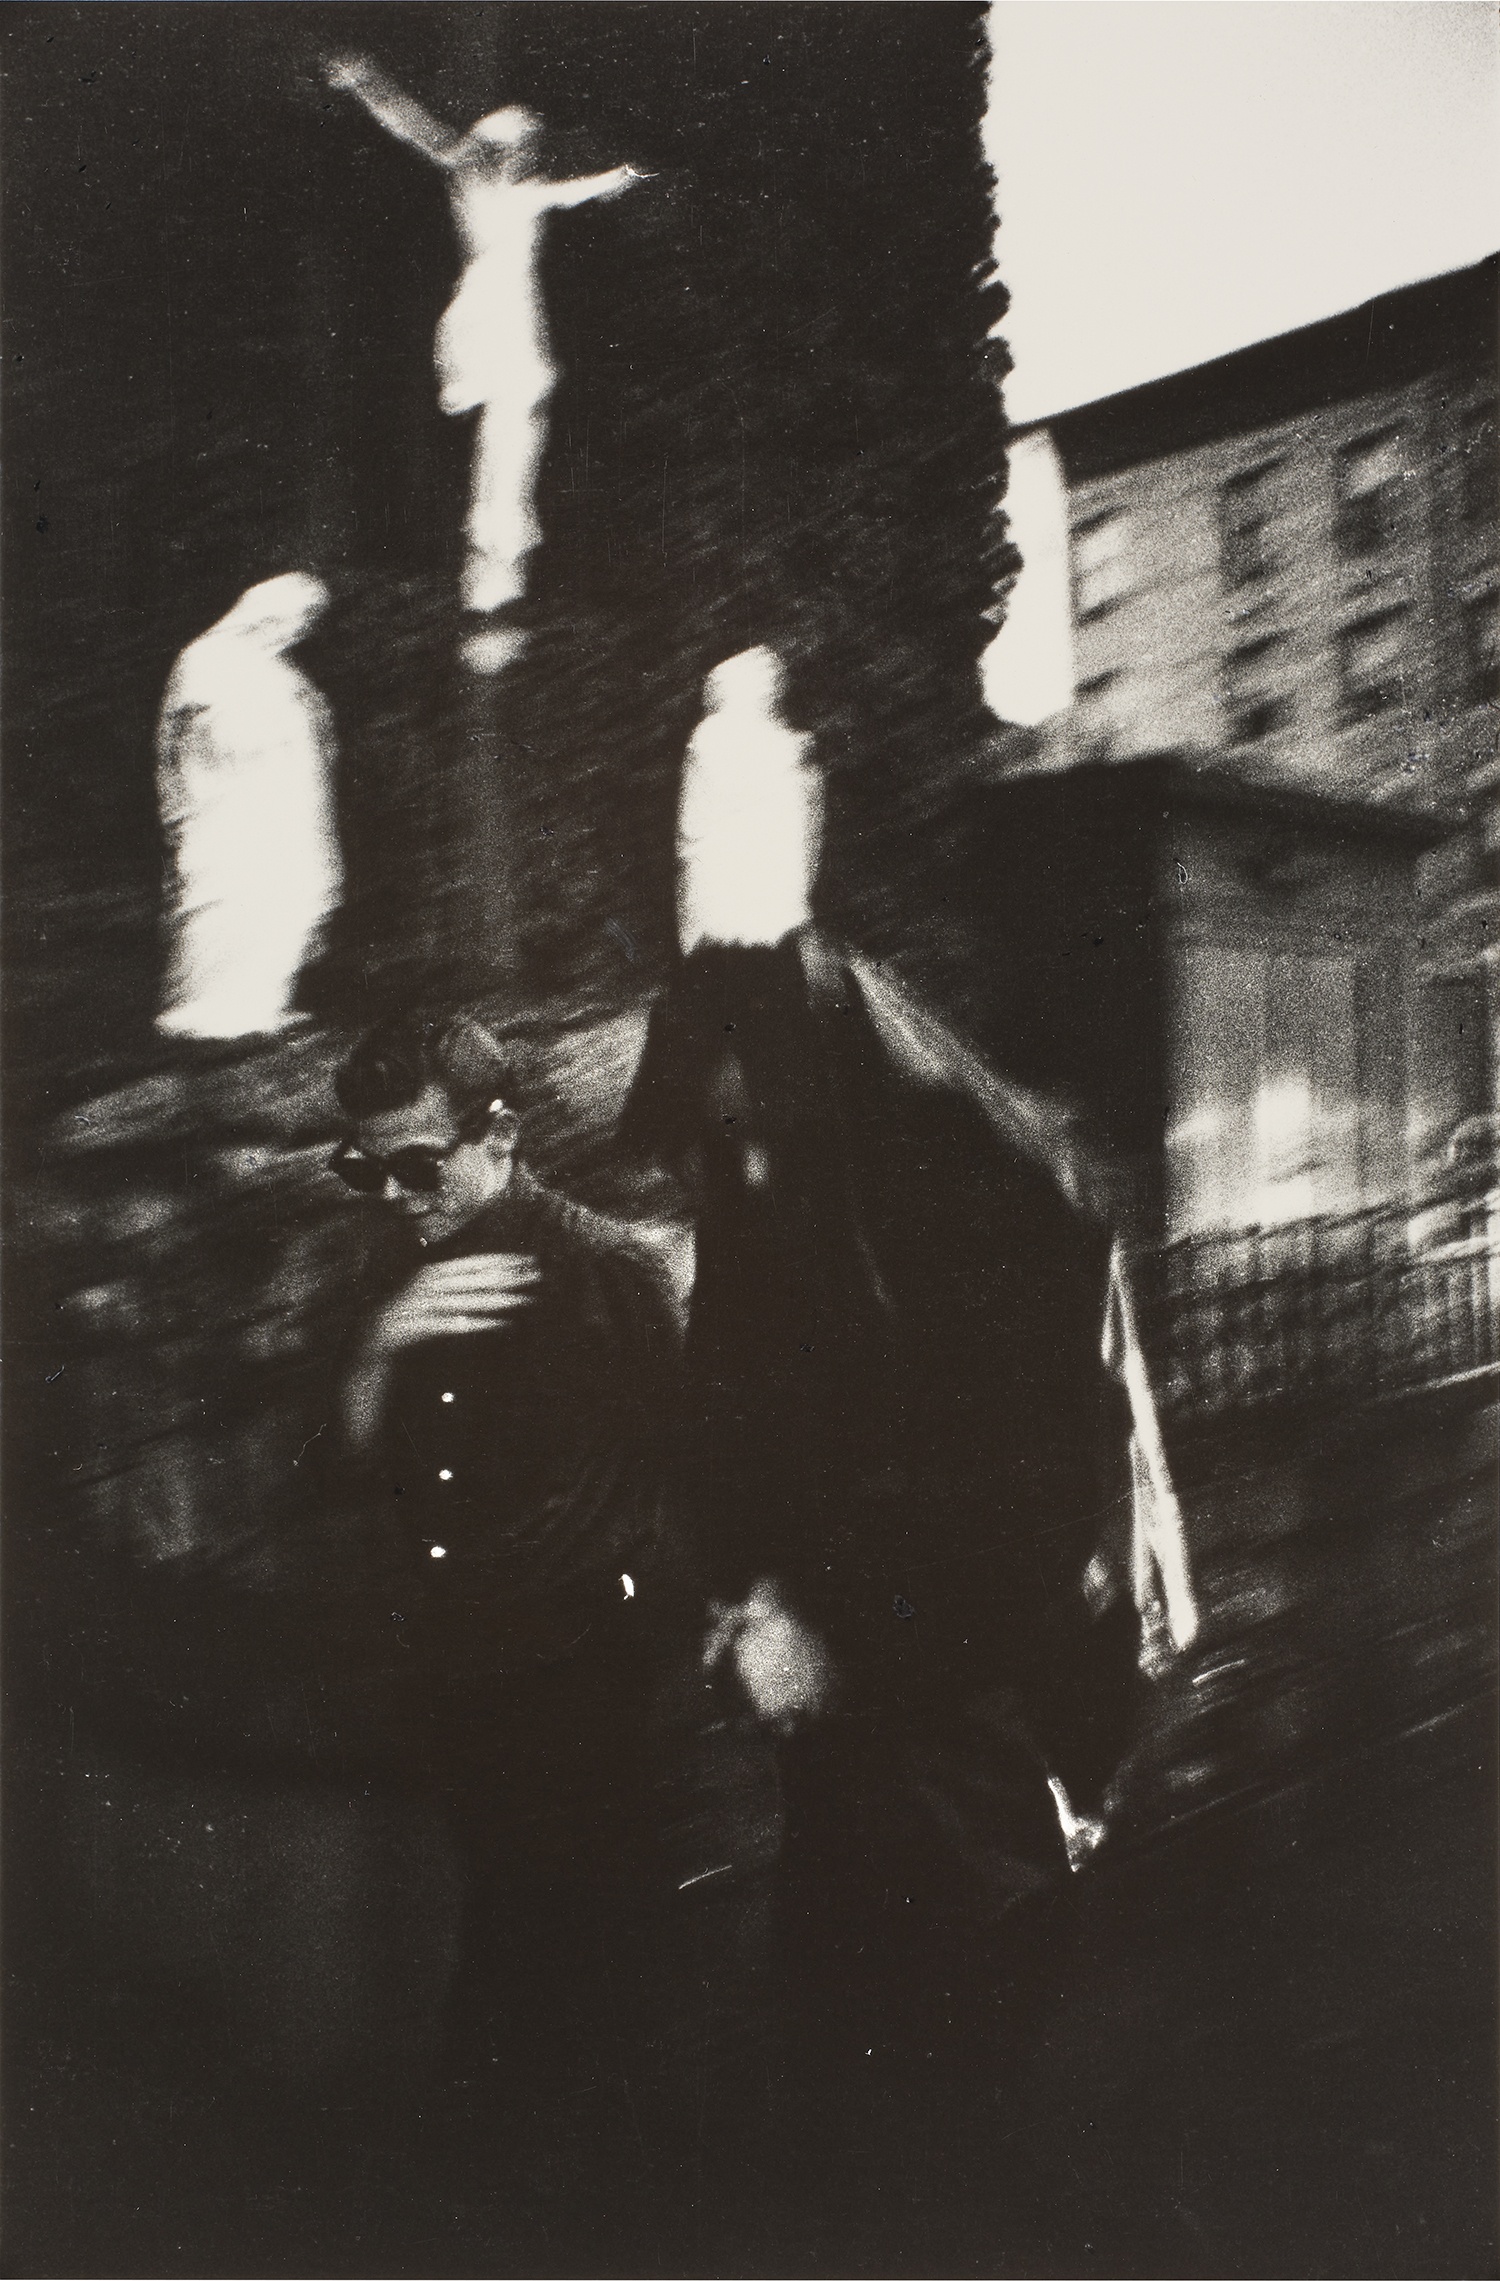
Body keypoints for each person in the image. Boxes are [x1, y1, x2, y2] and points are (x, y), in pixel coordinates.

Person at [614, 647, 1199, 2263]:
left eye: (740, 1125)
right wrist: (741, 1589)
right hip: (863, 1721)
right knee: (845, 2068)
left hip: (979, 1718)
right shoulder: (773, 1160)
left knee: (960, 2101)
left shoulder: (967, 1175)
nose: (722, 1162)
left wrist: (824, 1620)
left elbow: (1012, 1469)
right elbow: (737, 1383)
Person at [327, 1009, 775, 2259]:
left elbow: (706, 1455)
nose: (399, 1195)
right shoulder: (382, 1274)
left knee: (582, 1958)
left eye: (423, 1162)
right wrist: (379, 1354)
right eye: (366, 1169)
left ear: (502, 1133)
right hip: (462, 1681)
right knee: (521, 1934)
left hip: (593, 1677)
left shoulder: (605, 1271)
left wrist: (713, 1615)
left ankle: (594, 2223)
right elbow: (334, 1482)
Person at [326, 57, 645, 637]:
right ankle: (490, 560)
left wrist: (621, 177)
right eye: (513, 147)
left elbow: (575, 192)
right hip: (485, 312)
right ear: (494, 149)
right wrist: (368, 84)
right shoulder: (467, 176)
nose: (521, 157)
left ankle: (500, 562)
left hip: (514, 315)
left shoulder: (530, 193)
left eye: (526, 148)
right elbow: (413, 126)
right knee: (509, 424)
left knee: (517, 432)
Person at [156, 572, 341, 1041]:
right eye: (287, 617)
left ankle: (260, 1007)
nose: (293, 630)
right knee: (224, 904)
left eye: (303, 622)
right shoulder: (203, 661)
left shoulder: (287, 680)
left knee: (281, 902)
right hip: (225, 809)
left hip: (281, 812)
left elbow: (308, 755)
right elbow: (178, 745)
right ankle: (212, 1015)